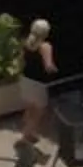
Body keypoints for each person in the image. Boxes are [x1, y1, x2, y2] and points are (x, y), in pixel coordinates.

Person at [18, 17, 60, 145]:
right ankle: (26, 136)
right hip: (38, 83)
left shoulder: (27, 43)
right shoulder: (45, 46)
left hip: (25, 79)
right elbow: (48, 66)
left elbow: (21, 60)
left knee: (30, 108)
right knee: (39, 112)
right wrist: (55, 69)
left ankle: (28, 132)